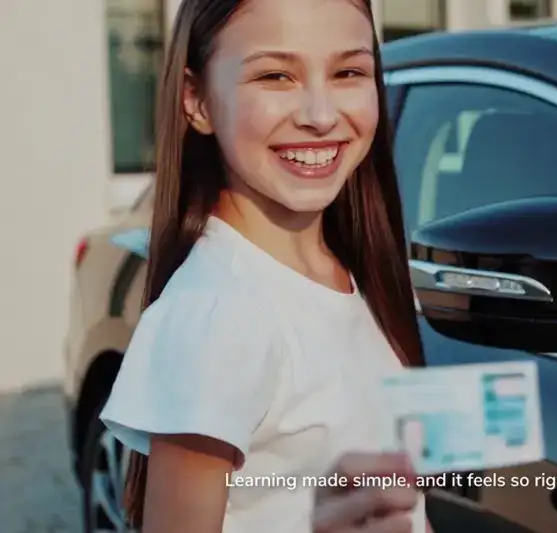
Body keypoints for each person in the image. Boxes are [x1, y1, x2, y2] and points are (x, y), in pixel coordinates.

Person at [98, 0, 431, 531]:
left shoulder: (356, 273)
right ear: (197, 100)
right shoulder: (218, 315)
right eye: (276, 75)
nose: (321, 116)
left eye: (348, 71)